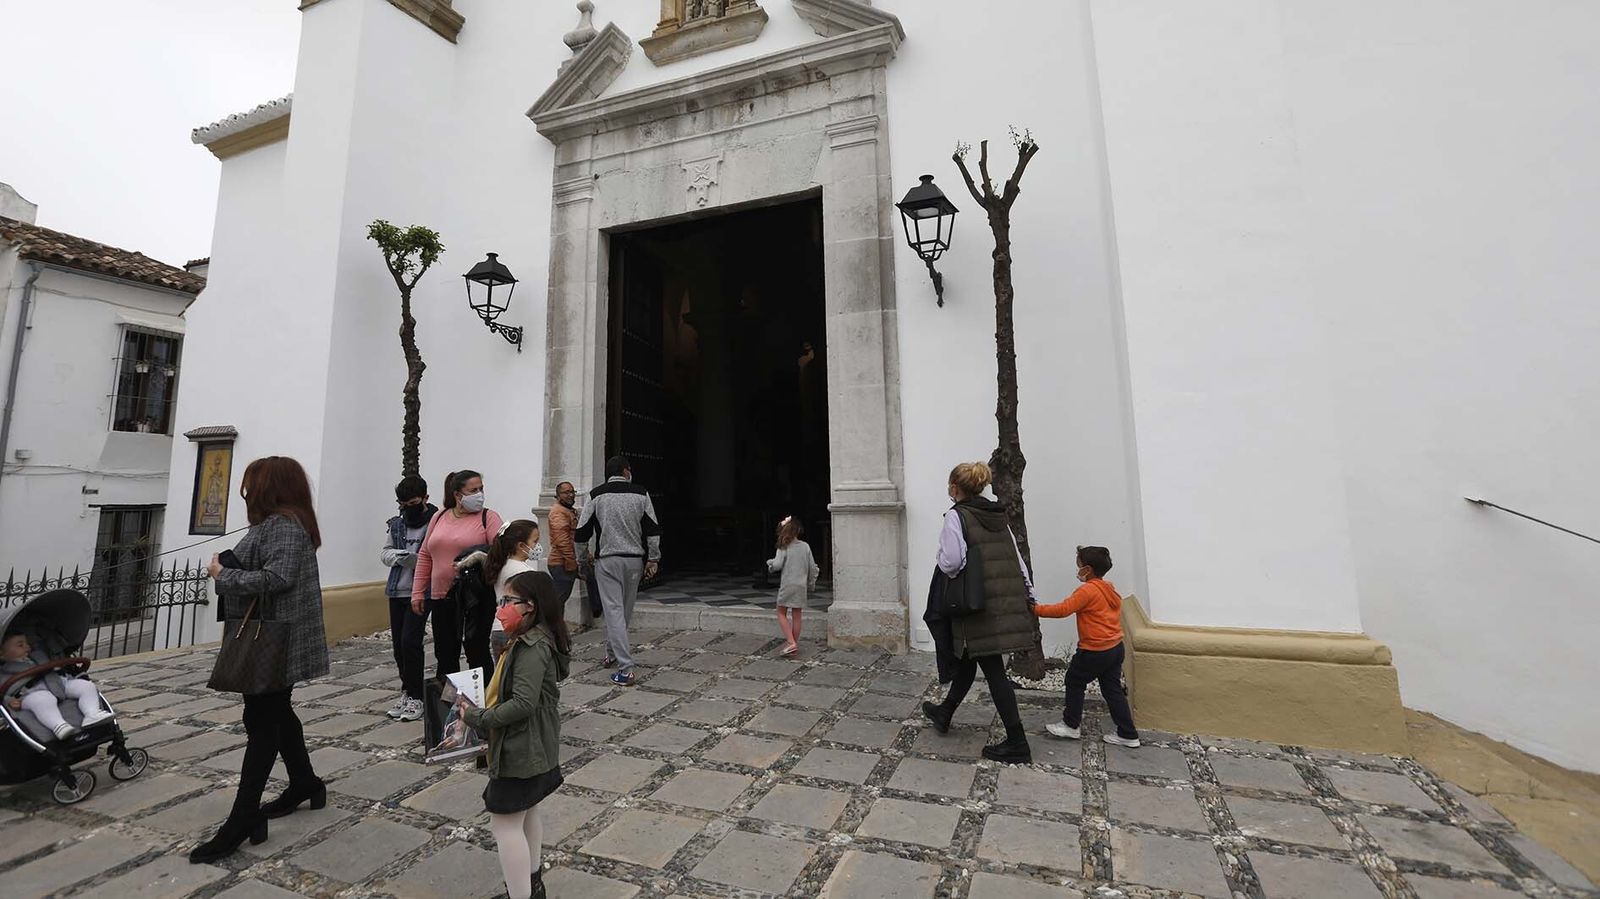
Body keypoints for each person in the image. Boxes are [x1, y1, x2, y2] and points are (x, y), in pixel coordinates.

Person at [192, 456, 329, 864]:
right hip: (274, 636)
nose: (246, 492)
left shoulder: (283, 526)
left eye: (252, 485)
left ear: (270, 488)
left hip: (274, 640)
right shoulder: (279, 524)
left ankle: (242, 818)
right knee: (276, 715)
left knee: (261, 724)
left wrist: (222, 575)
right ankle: (305, 782)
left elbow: (277, 578)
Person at [461, 570, 570, 899]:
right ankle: (532, 887)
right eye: (501, 600)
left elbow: (523, 704)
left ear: (531, 606)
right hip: (531, 746)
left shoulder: (531, 647)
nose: (500, 608)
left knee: (505, 824)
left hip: (521, 747)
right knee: (527, 810)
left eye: (508, 601)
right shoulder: (527, 640)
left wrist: (477, 716)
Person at [920, 461, 1038, 764]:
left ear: (955, 488)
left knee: (993, 671)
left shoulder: (956, 517)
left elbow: (952, 562)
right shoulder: (998, 515)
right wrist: (1028, 593)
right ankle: (944, 712)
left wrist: (939, 554)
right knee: (968, 660)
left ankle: (1017, 741)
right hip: (1000, 600)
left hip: (976, 604)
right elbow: (1015, 556)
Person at [1033, 545, 1139, 747]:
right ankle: (1128, 733)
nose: (1077, 569)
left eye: (1079, 565)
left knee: (1074, 681)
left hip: (1095, 650)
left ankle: (1071, 725)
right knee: (1112, 689)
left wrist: (1035, 609)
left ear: (1087, 569)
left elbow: (1063, 609)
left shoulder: (1087, 591)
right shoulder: (1109, 588)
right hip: (1116, 647)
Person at [573, 456, 661, 687]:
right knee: (624, 612)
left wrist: (582, 561)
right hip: (634, 561)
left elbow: (581, 533)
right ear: (625, 471)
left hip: (608, 561)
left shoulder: (596, 495)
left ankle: (625, 667)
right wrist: (654, 558)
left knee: (613, 613)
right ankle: (613, 655)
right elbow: (653, 529)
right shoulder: (641, 493)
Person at [412, 470, 505, 679]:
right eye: (473, 490)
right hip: (442, 595)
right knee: (445, 652)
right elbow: (425, 555)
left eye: (481, 489)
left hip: (476, 597)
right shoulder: (440, 516)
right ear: (457, 494)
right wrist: (417, 592)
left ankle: (482, 702)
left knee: (476, 650)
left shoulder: (488, 518)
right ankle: (450, 705)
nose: (479, 494)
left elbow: (501, 554)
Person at [382, 475, 436, 722]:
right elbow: (384, 553)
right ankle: (407, 690)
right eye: (403, 503)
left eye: (413, 502)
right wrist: (398, 557)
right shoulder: (397, 524)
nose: (407, 508)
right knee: (398, 647)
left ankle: (417, 697)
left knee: (410, 642)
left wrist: (419, 562)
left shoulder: (435, 521)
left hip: (422, 590)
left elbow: (437, 554)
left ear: (425, 498)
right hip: (397, 589)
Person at [2, 632, 113, 740]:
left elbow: (58, 665)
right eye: (20, 645)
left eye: (27, 643)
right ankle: (58, 725)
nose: (27, 647)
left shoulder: (39, 655)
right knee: (42, 700)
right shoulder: (4, 672)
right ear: (2, 654)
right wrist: (9, 700)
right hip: (30, 693)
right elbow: (2, 692)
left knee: (86, 686)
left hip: (59, 683)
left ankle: (92, 713)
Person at [484, 519, 541, 660]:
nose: (538, 546)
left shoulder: (501, 565)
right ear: (521, 545)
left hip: (498, 627)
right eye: (535, 541)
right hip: (516, 629)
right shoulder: (522, 571)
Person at [766, 516, 819, 656]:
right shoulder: (805, 546)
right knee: (797, 615)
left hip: (788, 585)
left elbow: (777, 565)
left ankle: (790, 642)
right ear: (798, 531)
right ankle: (793, 646)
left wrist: (770, 564)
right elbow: (812, 568)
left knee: (781, 612)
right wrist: (811, 584)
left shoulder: (783, 546)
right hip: (800, 586)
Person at [545, 482, 585, 612]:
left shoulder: (567, 510)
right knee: (558, 600)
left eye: (572, 492)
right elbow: (562, 541)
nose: (571, 495)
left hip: (566, 561)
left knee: (560, 599)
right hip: (561, 563)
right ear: (557, 495)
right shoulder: (558, 512)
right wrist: (571, 562)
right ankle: (552, 628)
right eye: (566, 492)